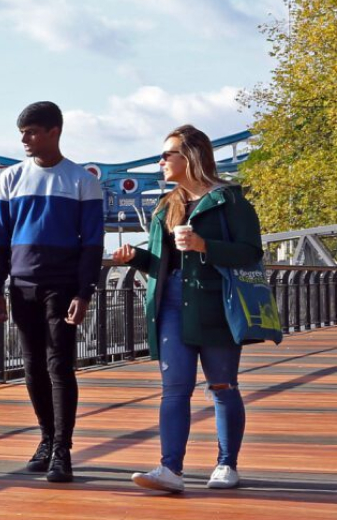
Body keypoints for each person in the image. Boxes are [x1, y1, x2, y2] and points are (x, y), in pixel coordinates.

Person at [116, 125, 262, 493]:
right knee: (174, 388)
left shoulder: (231, 201)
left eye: (168, 154)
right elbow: (163, 266)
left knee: (223, 385)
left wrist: (203, 245)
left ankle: (226, 464)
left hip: (216, 302)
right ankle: (170, 470)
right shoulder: (167, 205)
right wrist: (136, 258)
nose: (161, 161)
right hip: (172, 303)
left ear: (192, 156)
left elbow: (250, 253)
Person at [0, 101, 104, 483]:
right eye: (22, 132)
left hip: (63, 285)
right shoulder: (9, 179)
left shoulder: (82, 180)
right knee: (33, 366)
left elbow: (92, 244)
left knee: (59, 365)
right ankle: (46, 437)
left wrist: (85, 292)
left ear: (54, 132)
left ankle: (62, 451)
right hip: (22, 286)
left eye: (32, 131)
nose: (24, 139)